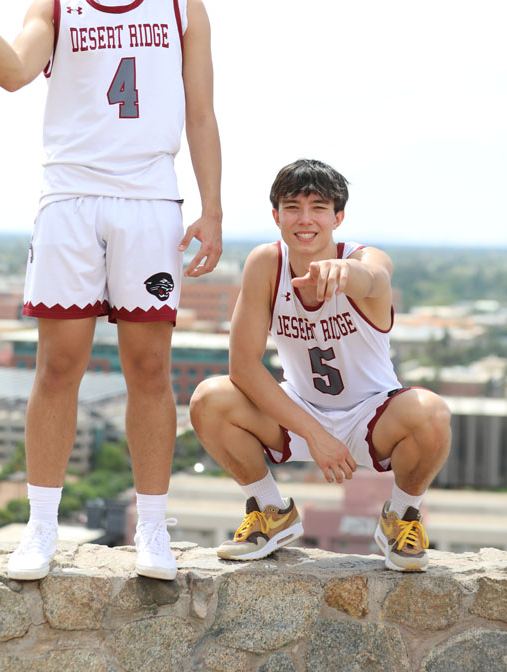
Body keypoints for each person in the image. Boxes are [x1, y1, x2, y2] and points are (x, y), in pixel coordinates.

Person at [0, 0, 222, 581]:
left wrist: (213, 207)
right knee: (58, 365)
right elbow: (9, 72)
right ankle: (39, 528)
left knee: (149, 369)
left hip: (149, 200)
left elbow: (199, 113)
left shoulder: (183, 4)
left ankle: (152, 529)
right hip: (70, 198)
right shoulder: (58, 2)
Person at [190, 159, 450, 572]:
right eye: (292, 207)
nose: (305, 219)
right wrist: (313, 433)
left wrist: (348, 274)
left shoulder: (365, 259)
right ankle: (270, 512)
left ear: (338, 217)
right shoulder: (266, 264)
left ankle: (403, 517)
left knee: (432, 412)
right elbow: (243, 366)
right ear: (276, 216)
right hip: (300, 411)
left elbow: (377, 280)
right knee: (210, 398)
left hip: (373, 414)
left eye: (318, 207)